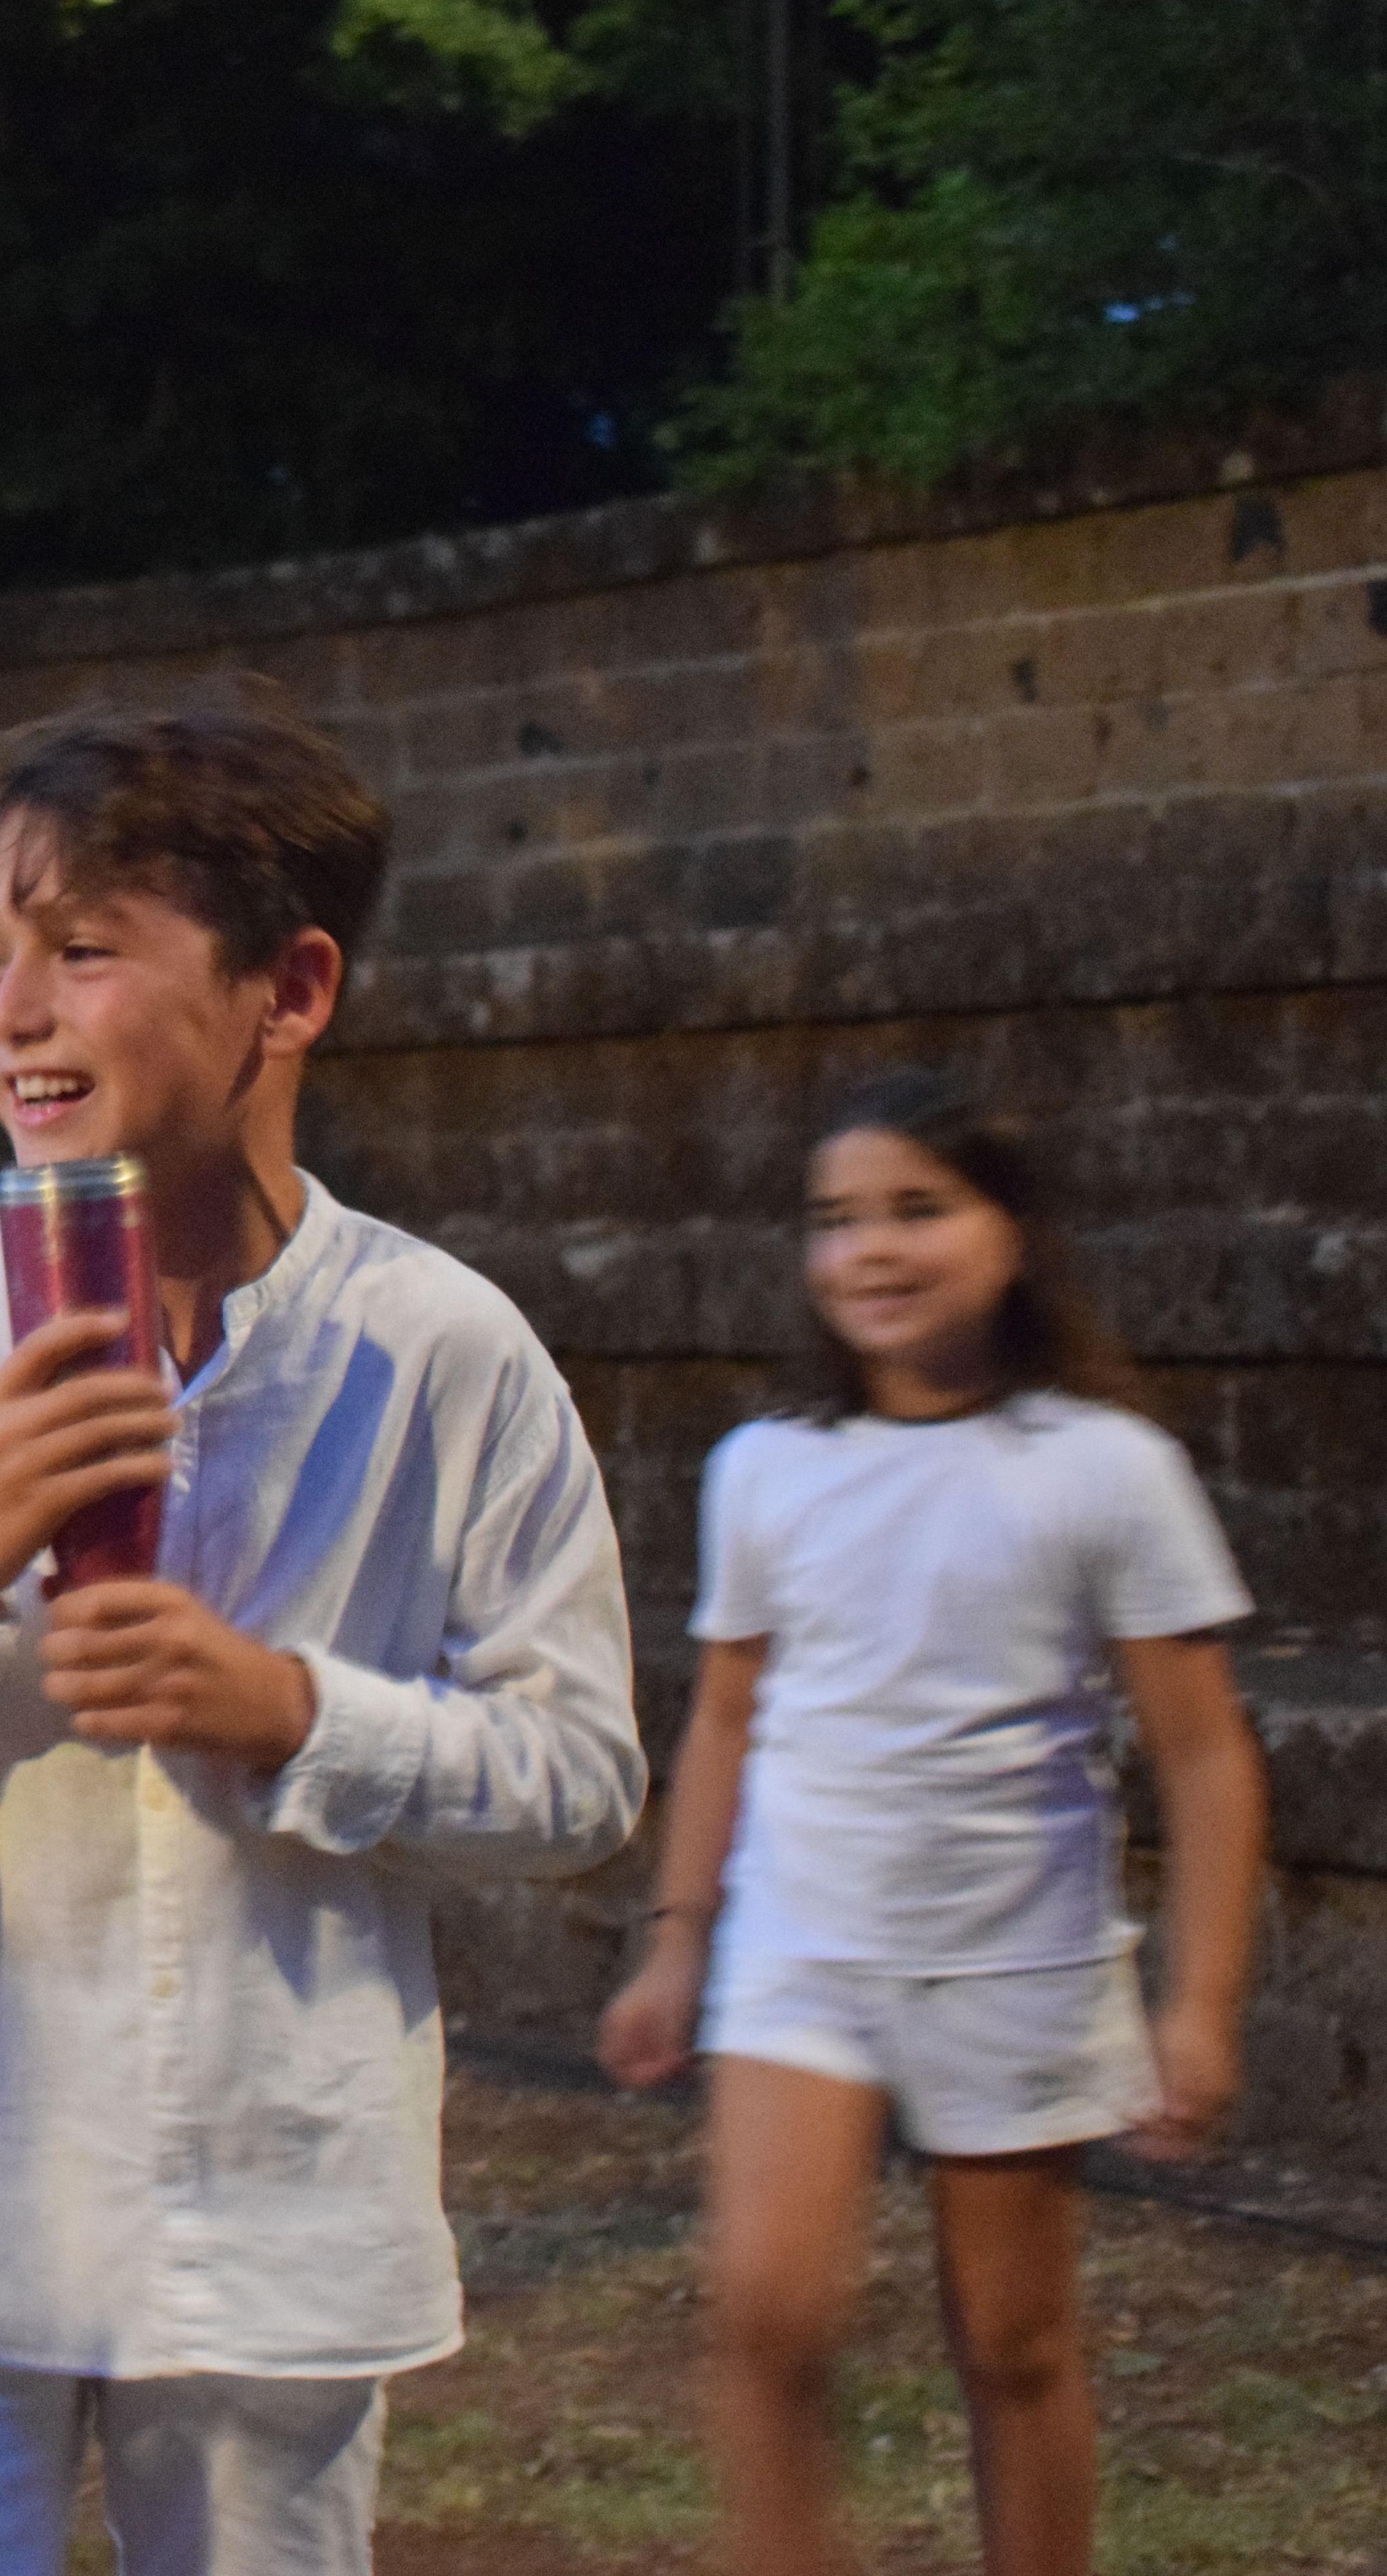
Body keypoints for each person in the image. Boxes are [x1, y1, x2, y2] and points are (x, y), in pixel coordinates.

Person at [0, 693, 645, 2576]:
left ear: (289, 990)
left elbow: (578, 1774)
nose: (16, 1013)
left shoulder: (438, 1348)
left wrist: (296, 1712)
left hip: (271, 2211)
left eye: (83, 951)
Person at [597, 1069, 1264, 2576]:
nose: (871, 1251)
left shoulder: (1107, 1467)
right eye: (837, 1220)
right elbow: (724, 1712)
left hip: (1012, 1961)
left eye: (918, 1208)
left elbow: (1206, 1756)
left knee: (1015, 2340)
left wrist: (1201, 2003)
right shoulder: (766, 1466)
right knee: (768, 2315)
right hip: (800, 1949)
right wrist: (674, 1941)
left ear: (1011, 1235)